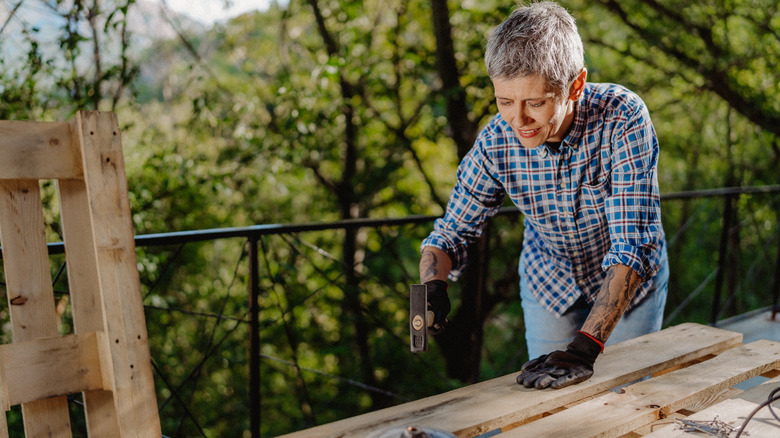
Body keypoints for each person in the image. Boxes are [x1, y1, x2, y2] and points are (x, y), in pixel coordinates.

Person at [418, 1, 669, 390]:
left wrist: (585, 348)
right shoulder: (496, 142)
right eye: (504, 102)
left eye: (535, 103)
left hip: (629, 288)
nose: (518, 121)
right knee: (548, 398)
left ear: (575, 85)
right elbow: (450, 234)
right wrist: (433, 285)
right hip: (549, 283)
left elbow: (633, 247)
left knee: (627, 392)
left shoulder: (623, 118)